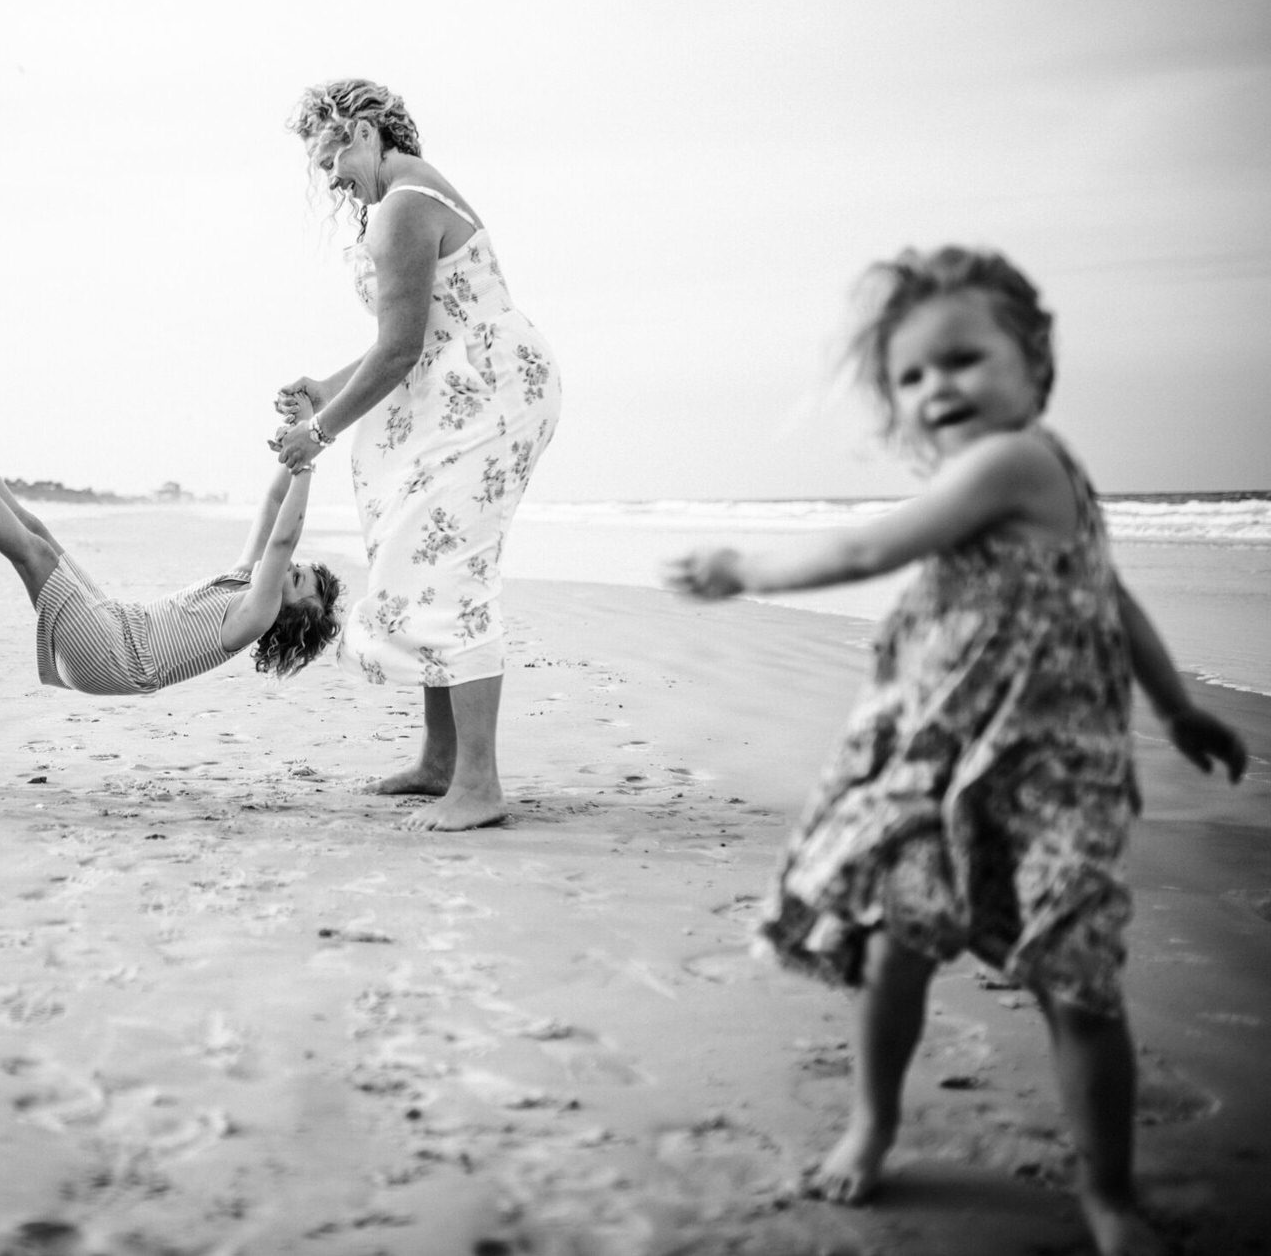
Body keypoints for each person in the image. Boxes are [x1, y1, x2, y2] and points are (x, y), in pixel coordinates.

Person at [665, 247, 1247, 1256]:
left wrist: (738, 566)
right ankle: (874, 1119)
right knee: (899, 946)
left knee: (1077, 980)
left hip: (1054, 780)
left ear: (1035, 362)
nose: (938, 386)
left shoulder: (1016, 462)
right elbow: (1110, 597)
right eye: (911, 374)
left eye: (963, 359)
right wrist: (1176, 704)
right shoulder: (1022, 473)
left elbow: (865, 550)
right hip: (943, 769)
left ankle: (1107, 1190)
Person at [271, 78, 561, 832]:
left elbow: (401, 349)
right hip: (457, 387)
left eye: (332, 158)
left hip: (488, 396)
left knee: (451, 568)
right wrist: (326, 387)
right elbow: (411, 336)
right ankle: (440, 761)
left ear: (365, 133)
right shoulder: (400, 201)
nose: (332, 178)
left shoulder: (402, 207)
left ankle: (479, 782)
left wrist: (321, 430)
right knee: (422, 560)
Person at [0, 399, 341, 694]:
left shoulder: (258, 613)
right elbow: (272, 505)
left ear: (291, 614)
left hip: (116, 658)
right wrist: (300, 440)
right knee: (38, 533)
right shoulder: (244, 583)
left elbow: (284, 539)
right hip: (116, 626)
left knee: (35, 555)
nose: (290, 567)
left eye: (297, 578)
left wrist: (306, 464)